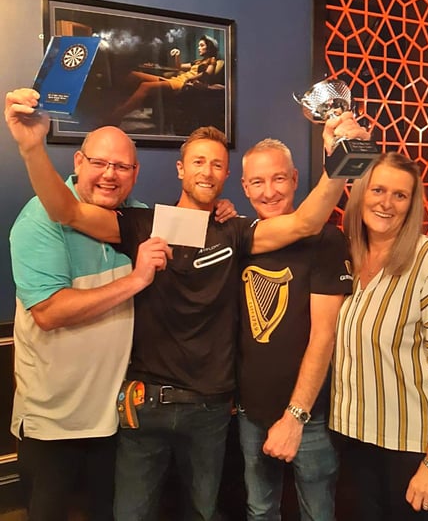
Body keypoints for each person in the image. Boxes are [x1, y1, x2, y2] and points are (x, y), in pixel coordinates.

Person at [5, 87, 369, 521]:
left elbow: (307, 222)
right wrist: (32, 147)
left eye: (216, 164)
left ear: (226, 174)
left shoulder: (235, 231)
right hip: (143, 405)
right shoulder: (146, 222)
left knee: (202, 513)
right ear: (180, 169)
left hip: (210, 409)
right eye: (198, 161)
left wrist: (342, 158)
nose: (206, 171)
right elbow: (67, 211)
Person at [8, 124, 173, 521]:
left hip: (116, 421)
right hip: (53, 423)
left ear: (135, 172)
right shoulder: (39, 219)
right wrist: (135, 280)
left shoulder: (138, 220)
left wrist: (220, 209)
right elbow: (49, 313)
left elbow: (199, 230)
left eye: (122, 166)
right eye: (99, 163)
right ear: (78, 162)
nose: (110, 175)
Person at [330, 152, 428, 520]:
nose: (386, 203)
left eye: (400, 195)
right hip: (353, 439)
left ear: (411, 205)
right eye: (378, 190)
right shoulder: (347, 255)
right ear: (360, 193)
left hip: (411, 450)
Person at [237, 138, 352, 521]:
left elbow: (324, 335)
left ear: (296, 179)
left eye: (279, 178)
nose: (269, 191)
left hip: (310, 416)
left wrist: (295, 416)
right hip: (250, 413)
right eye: (257, 182)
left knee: (317, 513)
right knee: (259, 511)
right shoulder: (241, 238)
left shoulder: (326, 240)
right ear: (244, 187)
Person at [112, 34, 219, 123]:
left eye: (202, 45)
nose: (199, 48)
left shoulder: (212, 60)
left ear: (209, 47)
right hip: (176, 80)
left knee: (145, 86)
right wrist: (177, 55)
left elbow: (207, 74)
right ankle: (120, 103)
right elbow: (179, 67)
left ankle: (118, 114)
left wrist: (190, 79)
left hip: (181, 84)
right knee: (134, 75)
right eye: (199, 45)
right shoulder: (197, 61)